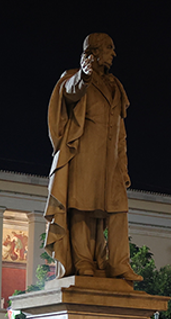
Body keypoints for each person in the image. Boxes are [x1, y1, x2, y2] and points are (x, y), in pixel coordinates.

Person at [43, 32, 142, 281]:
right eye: (109, 48)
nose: (114, 53)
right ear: (94, 53)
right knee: (82, 209)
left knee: (118, 211)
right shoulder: (74, 78)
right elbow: (69, 92)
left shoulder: (115, 86)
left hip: (111, 163)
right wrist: (84, 76)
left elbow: (121, 131)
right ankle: (84, 262)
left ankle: (120, 263)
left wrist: (124, 165)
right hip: (84, 156)